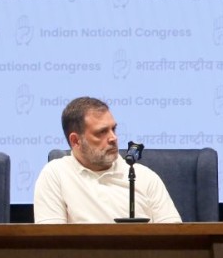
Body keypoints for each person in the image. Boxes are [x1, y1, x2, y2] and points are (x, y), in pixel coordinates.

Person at [33, 96, 181, 224]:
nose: (113, 138)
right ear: (76, 141)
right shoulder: (56, 174)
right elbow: (51, 241)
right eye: (101, 132)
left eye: (113, 129)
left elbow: (176, 238)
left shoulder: (144, 177)